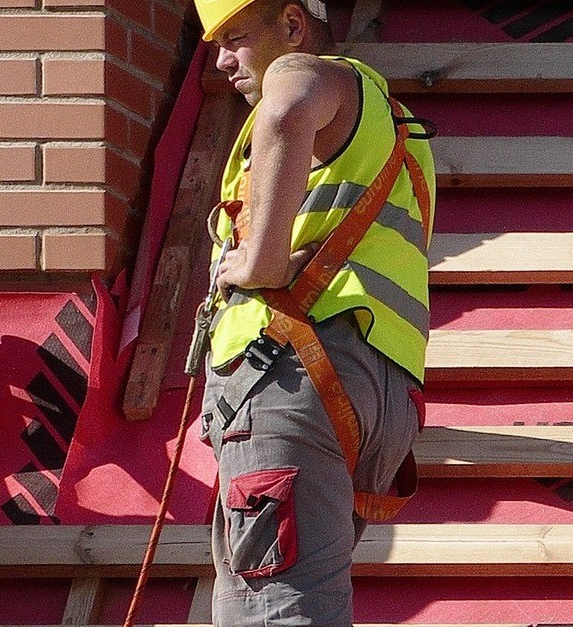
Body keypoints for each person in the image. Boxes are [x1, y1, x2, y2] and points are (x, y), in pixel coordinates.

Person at [193, 0, 435, 624]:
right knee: (295, 600)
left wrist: (261, 262)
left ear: (293, 26)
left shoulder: (303, 74)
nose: (221, 61)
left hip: (289, 374)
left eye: (234, 37)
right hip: (377, 385)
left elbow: (288, 103)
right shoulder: (390, 124)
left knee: (272, 608)